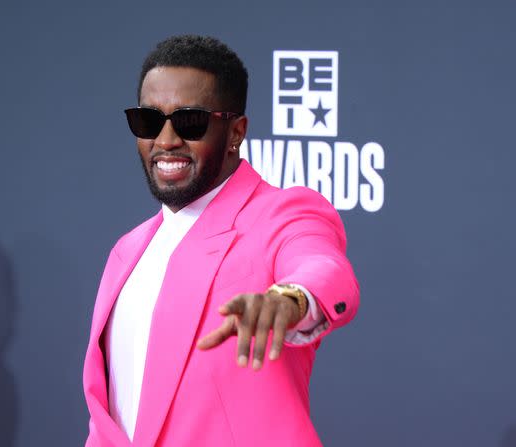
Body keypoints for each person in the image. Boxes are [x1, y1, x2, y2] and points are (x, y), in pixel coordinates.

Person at [83, 35, 359, 447]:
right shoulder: (128, 250)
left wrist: (288, 300)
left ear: (236, 131)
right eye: (148, 120)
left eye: (190, 121)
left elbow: (323, 268)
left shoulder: (279, 214)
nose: (166, 140)